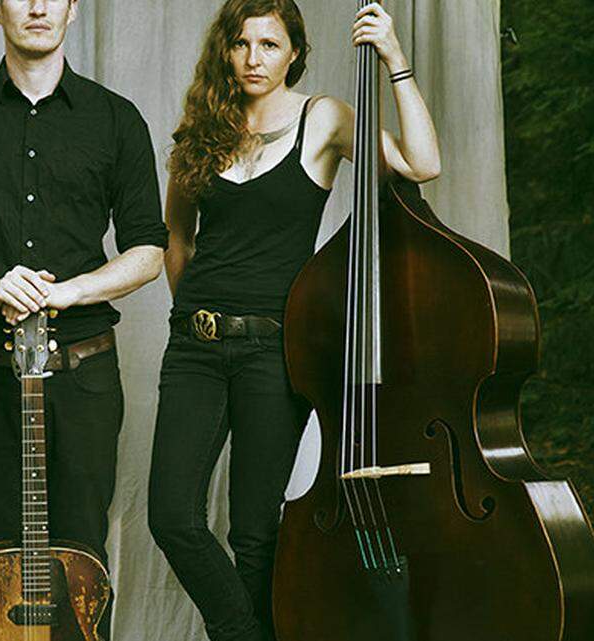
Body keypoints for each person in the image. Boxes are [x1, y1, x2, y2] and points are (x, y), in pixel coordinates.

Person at [147, 1, 440, 640]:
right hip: (193, 348)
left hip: (273, 353)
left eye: (270, 45)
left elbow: (422, 165)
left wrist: (395, 60)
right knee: (172, 517)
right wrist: (188, 307)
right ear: (226, 51)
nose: (255, 59)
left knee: (253, 531)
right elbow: (177, 235)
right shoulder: (202, 127)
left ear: (293, 52)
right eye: (243, 43)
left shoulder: (325, 119)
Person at [0, 0, 167, 636]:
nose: (39, 6)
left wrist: (70, 292)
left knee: (82, 555)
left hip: (83, 370)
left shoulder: (115, 119)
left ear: (73, 10)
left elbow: (149, 252)